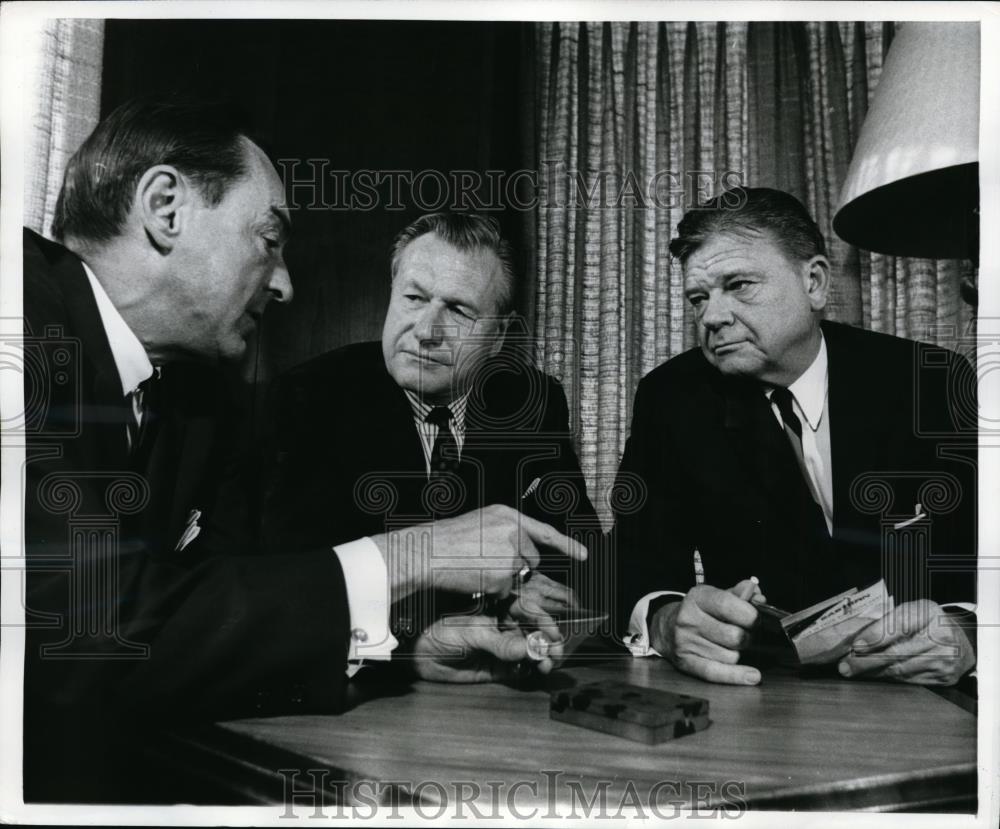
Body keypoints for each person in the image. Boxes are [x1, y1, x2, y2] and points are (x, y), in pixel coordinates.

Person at [21, 97, 585, 802]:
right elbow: (85, 644)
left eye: (460, 311)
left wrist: (413, 658)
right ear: (166, 208)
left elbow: (181, 622)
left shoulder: (185, 394)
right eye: (269, 238)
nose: (285, 283)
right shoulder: (19, 324)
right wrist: (420, 553)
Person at [612, 187, 977, 688]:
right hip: (768, 695)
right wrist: (665, 619)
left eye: (738, 285)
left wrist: (969, 629)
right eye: (699, 298)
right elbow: (633, 563)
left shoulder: (930, 382)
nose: (711, 317)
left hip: (928, 691)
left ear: (815, 283)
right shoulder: (672, 398)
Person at [260, 212, 601, 649]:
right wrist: (492, 597)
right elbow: (303, 575)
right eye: (414, 298)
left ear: (499, 337)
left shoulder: (533, 402)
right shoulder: (310, 396)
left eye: (457, 310)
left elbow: (578, 555)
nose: (425, 331)